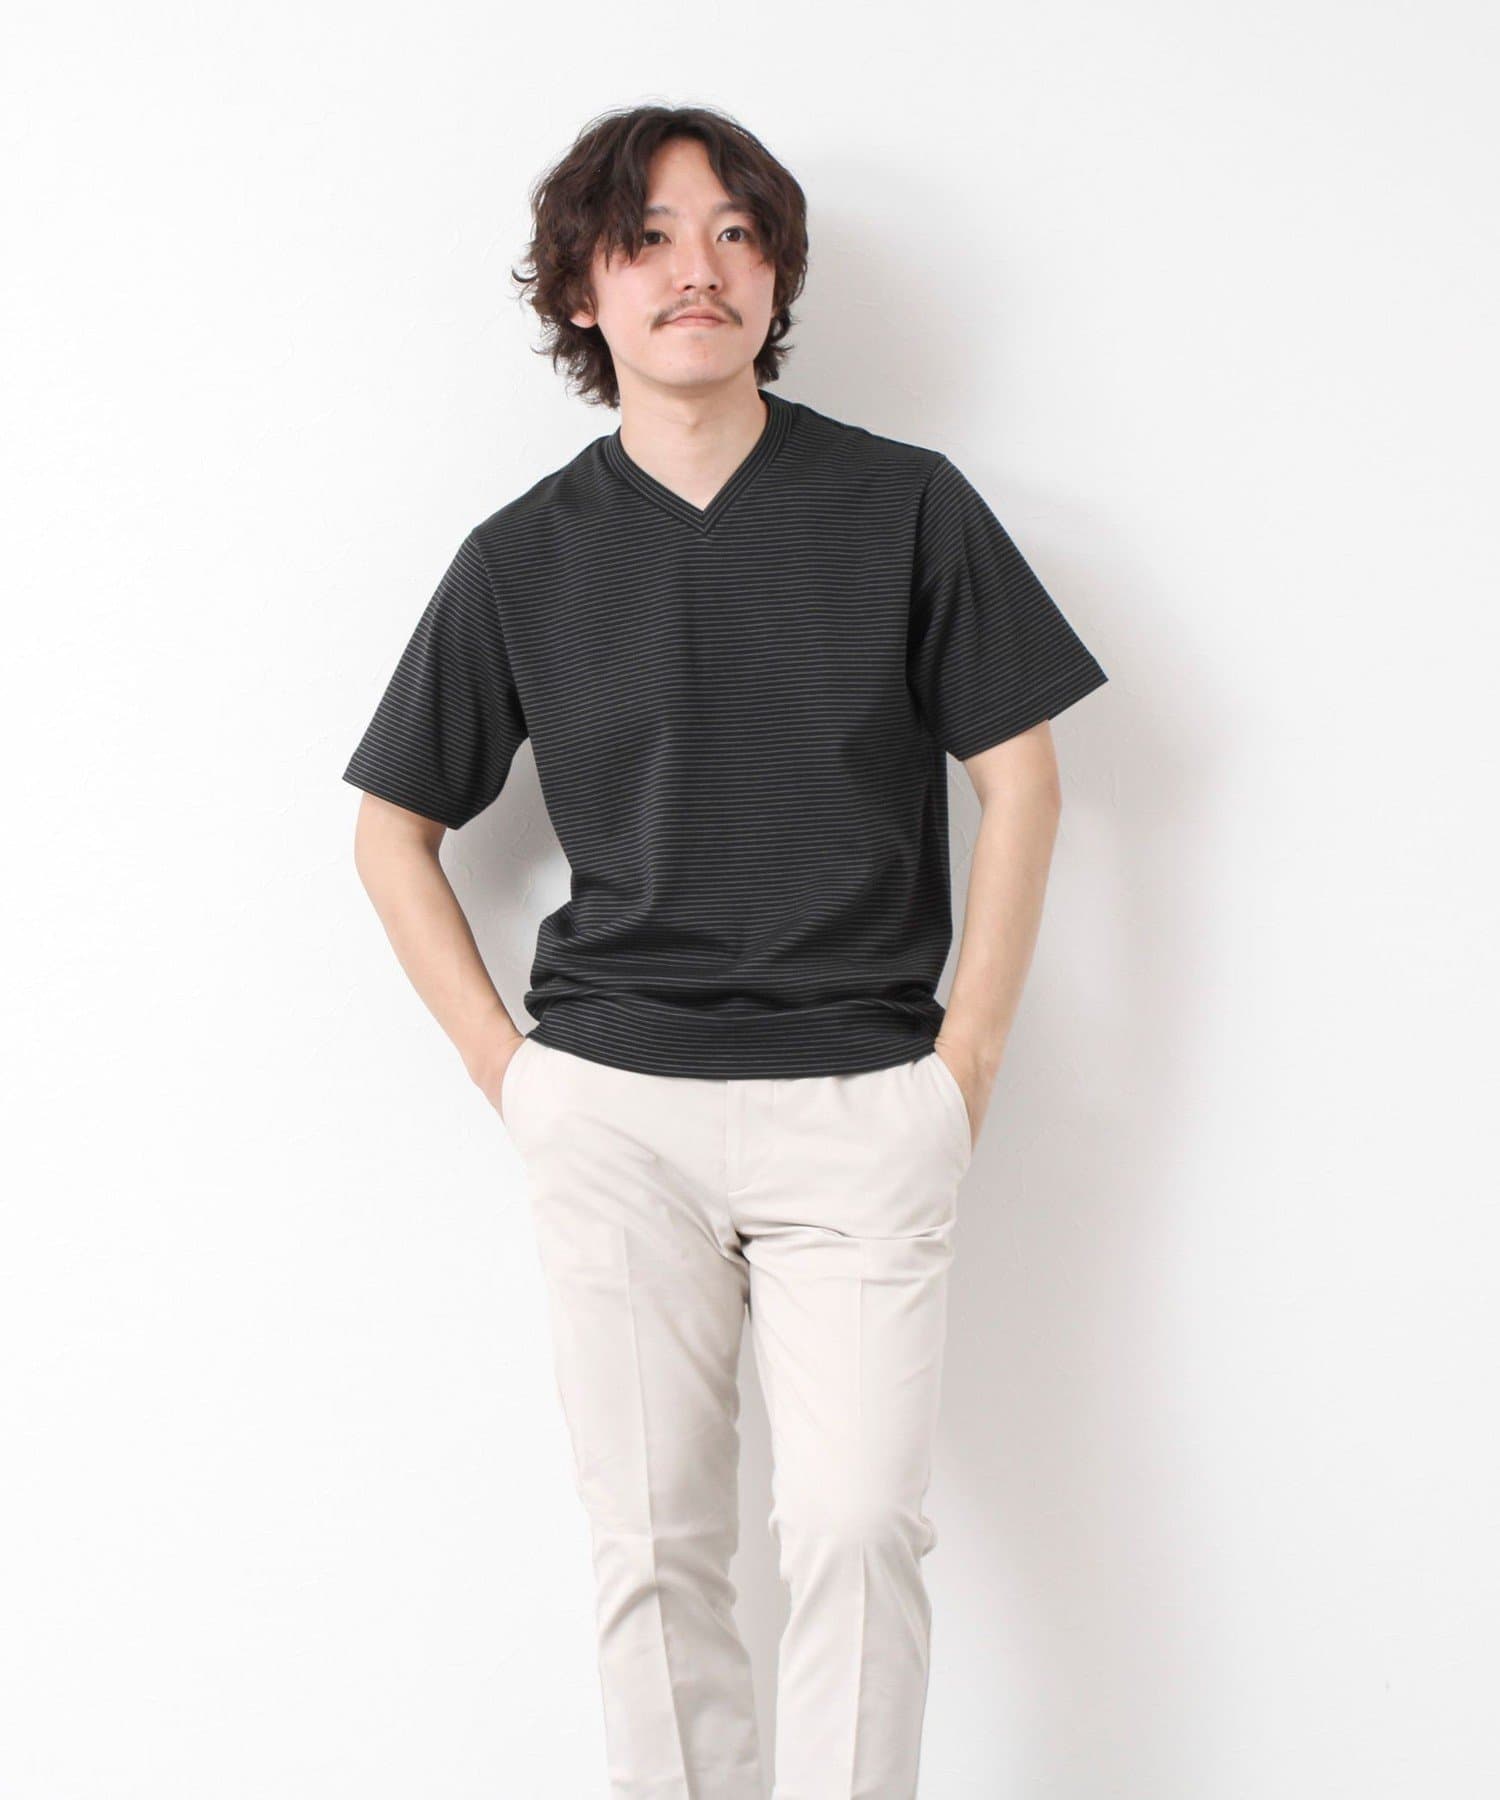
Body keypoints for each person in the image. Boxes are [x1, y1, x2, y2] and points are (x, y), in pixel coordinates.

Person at [342, 101, 1108, 1800]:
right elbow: (394, 829)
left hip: (864, 1102)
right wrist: (512, 1076)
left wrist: (967, 1062)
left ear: (776, 276)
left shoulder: (906, 507)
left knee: (857, 1526)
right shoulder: (523, 557)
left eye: (737, 234)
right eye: (650, 240)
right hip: (614, 1110)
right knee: (655, 1550)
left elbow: (1024, 776)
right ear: (583, 293)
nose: (700, 269)